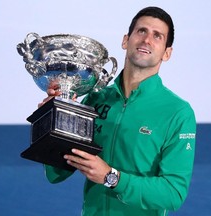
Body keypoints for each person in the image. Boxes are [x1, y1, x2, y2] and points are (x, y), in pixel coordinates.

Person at [40, 6, 196, 216]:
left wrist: (111, 177)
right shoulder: (96, 98)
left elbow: (173, 193)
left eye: (157, 36)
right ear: (126, 40)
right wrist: (53, 118)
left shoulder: (178, 112)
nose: (147, 40)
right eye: (141, 31)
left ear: (167, 53)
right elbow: (55, 174)